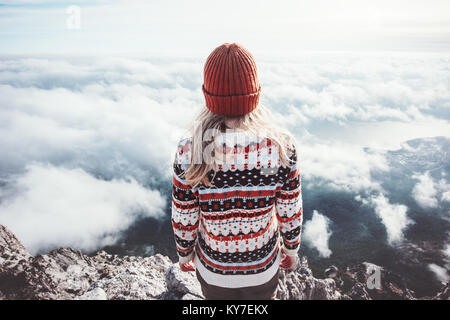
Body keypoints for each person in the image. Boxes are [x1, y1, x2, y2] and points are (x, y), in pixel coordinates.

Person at [171, 43, 303, 300]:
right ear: (255, 92)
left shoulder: (191, 150)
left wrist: (184, 253)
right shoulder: (279, 147)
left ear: (208, 93)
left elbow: (184, 213)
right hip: (262, 268)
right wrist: (291, 249)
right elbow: (290, 208)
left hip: (213, 270)